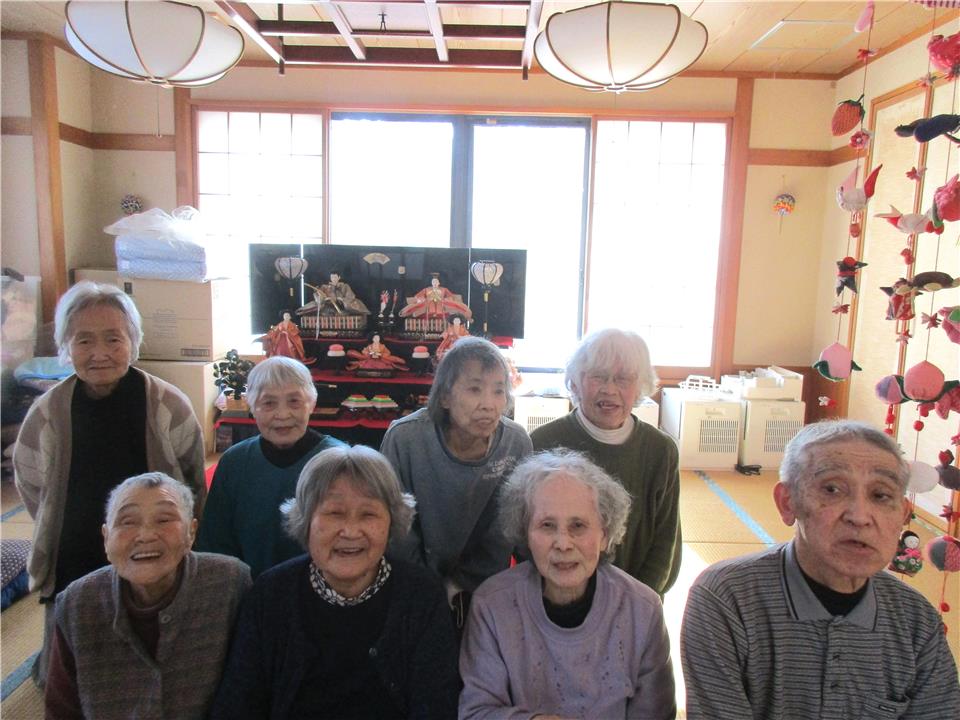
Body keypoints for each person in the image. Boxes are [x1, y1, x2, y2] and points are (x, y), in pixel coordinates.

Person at [681, 420, 960, 719]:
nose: (859, 516)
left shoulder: (915, 619)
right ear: (787, 502)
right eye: (832, 489)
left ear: (903, 515)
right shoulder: (728, 599)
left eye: (881, 495)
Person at [14, 280, 206, 687]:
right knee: (64, 681)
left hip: (152, 546)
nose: (99, 353)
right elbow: (33, 486)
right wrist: (59, 518)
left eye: (113, 338)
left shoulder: (168, 404)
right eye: (84, 340)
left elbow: (191, 482)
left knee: (164, 672)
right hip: (75, 552)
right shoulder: (47, 413)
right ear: (66, 346)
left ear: (133, 342)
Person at [210, 445, 460, 719]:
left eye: (368, 514)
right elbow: (236, 706)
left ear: (391, 522)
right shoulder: (269, 595)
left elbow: (436, 706)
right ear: (306, 521)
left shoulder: (421, 597)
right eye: (334, 513)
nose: (351, 531)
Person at [459, 449, 676, 719]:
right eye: (547, 525)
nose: (563, 543)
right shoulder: (492, 605)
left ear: (605, 534)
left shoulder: (642, 609)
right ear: (525, 534)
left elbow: (657, 714)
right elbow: (475, 711)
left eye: (578, 526)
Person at [45, 472, 251, 719]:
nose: (146, 535)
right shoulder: (77, 603)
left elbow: (252, 693)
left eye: (164, 519)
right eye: (127, 522)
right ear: (106, 538)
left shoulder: (230, 583)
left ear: (191, 532)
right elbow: (61, 710)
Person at [380, 336, 532, 626]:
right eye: (475, 389)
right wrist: (429, 587)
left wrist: (465, 584)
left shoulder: (516, 442)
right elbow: (396, 527)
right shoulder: (405, 438)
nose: (488, 404)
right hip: (412, 583)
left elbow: (506, 529)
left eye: (498, 391)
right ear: (445, 397)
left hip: (486, 586)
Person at [530, 328, 681, 595]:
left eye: (623, 378)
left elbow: (665, 543)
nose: (610, 389)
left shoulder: (661, 450)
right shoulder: (542, 443)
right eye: (598, 376)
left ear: (640, 386)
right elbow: (528, 537)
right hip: (556, 596)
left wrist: (639, 601)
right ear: (576, 382)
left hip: (637, 598)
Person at [196, 356, 346, 578]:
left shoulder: (339, 462)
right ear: (252, 406)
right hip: (247, 587)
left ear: (312, 404)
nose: (282, 415)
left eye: (294, 401)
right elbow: (215, 543)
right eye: (268, 403)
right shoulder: (234, 463)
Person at [398, 273, 472, 321]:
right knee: (418, 306)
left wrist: (445, 299)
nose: (435, 283)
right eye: (433, 282)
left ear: (439, 283)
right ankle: (404, 313)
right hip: (428, 303)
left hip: (441, 303)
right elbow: (418, 296)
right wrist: (423, 299)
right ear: (431, 282)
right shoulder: (426, 289)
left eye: (436, 282)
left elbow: (451, 296)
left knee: (455, 306)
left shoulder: (444, 289)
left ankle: (467, 315)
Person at [300, 271, 370, 317]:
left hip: (342, 307)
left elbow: (350, 297)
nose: (333, 279)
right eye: (332, 277)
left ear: (339, 277)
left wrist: (342, 299)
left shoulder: (345, 286)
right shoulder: (325, 287)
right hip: (328, 308)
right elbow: (320, 297)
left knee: (351, 307)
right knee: (317, 307)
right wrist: (321, 296)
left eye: (335, 277)